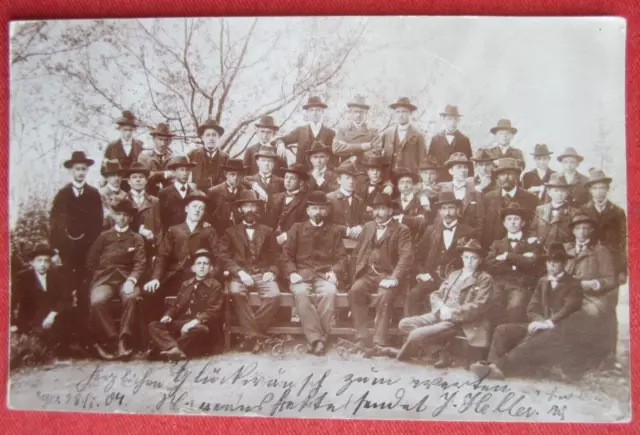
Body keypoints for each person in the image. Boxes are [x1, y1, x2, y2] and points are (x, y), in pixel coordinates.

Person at [469, 242, 582, 380]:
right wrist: (538, 321)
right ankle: (492, 364)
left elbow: (569, 309)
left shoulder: (573, 284)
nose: (551, 266)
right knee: (502, 329)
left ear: (564, 264)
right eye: (549, 262)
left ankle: (498, 368)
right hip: (541, 324)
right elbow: (531, 308)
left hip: (559, 330)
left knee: (534, 334)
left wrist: (548, 323)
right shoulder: (543, 281)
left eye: (556, 262)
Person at [389, 239, 493, 367]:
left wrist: (452, 313)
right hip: (440, 313)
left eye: (474, 258)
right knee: (404, 324)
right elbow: (436, 294)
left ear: (480, 260)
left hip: (458, 320)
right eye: (466, 257)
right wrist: (442, 307)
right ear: (462, 258)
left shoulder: (484, 278)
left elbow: (479, 305)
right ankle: (440, 352)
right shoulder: (454, 274)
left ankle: (427, 353)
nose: (469, 261)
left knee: (416, 334)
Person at [282, 191, 348, 355]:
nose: (318, 212)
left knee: (330, 292)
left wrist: (335, 271)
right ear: (308, 210)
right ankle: (318, 340)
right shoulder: (296, 228)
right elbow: (286, 256)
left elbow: (342, 258)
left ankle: (316, 340)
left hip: (324, 275)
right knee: (302, 294)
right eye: (314, 208)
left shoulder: (333, 231)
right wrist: (292, 273)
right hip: (301, 275)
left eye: (321, 208)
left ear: (326, 210)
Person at [348, 193, 413, 351]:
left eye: (382, 209)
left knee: (385, 295)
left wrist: (393, 278)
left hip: (388, 275)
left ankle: (379, 342)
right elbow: (357, 253)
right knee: (354, 291)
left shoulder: (401, 230)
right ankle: (362, 338)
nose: (377, 213)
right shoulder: (368, 227)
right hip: (368, 274)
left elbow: (406, 257)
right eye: (375, 209)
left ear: (391, 211)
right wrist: (354, 277)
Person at [219, 191, 282, 352]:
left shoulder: (267, 231)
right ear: (240, 209)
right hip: (240, 274)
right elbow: (223, 256)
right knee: (236, 293)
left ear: (257, 209)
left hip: (262, 273)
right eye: (246, 206)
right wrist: (240, 272)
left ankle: (250, 336)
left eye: (253, 206)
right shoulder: (230, 232)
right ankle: (255, 336)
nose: (250, 209)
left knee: (274, 295)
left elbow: (277, 256)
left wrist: (273, 271)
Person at [50, 151, 103, 337]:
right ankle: (65, 336)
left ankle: (86, 335)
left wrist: (94, 249)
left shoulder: (93, 194)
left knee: (84, 290)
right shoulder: (62, 195)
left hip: (87, 250)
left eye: (84, 169)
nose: (80, 172)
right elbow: (54, 223)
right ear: (71, 171)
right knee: (65, 290)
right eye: (77, 169)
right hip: (67, 251)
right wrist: (55, 250)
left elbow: (98, 223)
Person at [85, 199, 146, 360]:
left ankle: (123, 340)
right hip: (105, 280)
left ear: (131, 218)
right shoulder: (104, 237)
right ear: (114, 216)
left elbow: (140, 263)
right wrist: (100, 274)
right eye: (118, 215)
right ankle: (111, 338)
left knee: (131, 298)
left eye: (125, 216)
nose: (121, 218)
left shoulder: (136, 238)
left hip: (127, 279)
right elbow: (91, 260)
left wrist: (132, 280)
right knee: (97, 301)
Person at [143, 193, 219, 319]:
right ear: (186, 209)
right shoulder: (174, 230)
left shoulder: (209, 231)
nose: (197, 210)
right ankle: (156, 330)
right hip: (175, 276)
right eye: (194, 206)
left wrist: (211, 275)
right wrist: (156, 278)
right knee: (150, 294)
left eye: (201, 208)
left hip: (199, 277)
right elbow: (162, 256)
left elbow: (218, 256)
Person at [405, 191, 476, 316]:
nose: (447, 213)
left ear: (458, 209)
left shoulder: (469, 232)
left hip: (457, 280)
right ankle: (410, 332)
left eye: (451, 208)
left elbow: (474, 260)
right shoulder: (431, 230)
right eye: (443, 209)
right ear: (439, 211)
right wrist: (422, 273)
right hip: (432, 278)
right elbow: (418, 256)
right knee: (413, 295)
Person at [148, 249, 224, 360]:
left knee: (200, 330)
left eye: (205, 264)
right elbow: (176, 306)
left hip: (201, 325)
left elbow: (212, 311)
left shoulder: (215, 285)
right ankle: (174, 349)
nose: (202, 266)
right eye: (199, 263)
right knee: (153, 325)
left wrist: (193, 322)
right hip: (183, 322)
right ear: (193, 268)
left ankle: (165, 349)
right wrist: (168, 315)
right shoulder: (186, 284)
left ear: (210, 268)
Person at [564, 214, 619, 370]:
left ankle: (588, 359)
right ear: (573, 231)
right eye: (578, 228)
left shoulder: (600, 250)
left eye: (586, 228)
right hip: (566, 293)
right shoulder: (565, 248)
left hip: (590, 296)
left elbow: (610, 279)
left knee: (591, 314)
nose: (582, 232)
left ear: (591, 230)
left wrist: (592, 284)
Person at [485, 202, 542, 324]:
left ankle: (511, 336)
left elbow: (531, 262)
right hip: (500, 283)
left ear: (523, 223)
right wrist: (519, 259)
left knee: (515, 307)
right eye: (509, 219)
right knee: (493, 306)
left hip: (521, 284)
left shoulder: (531, 243)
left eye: (516, 219)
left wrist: (507, 256)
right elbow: (490, 265)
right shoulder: (497, 244)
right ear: (504, 224)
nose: (512, 222)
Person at [11, 244, 72, 356]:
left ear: (50, 263)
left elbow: (66, 298)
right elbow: (13, 301)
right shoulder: (23, 278)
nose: (43, 265)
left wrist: (52, 314)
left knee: (71, 315)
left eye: (46, 261)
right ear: (32, 263)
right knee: (34, 344)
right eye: (39, 261)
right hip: (31, 317)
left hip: (51, 317)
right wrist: (12, 323)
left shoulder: (56, 276)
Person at [581, 169, 627, 284]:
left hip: (611, 261)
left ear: (607, 189)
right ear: (590, 191)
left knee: (610, 295)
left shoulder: (617, 211)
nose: (599, 192)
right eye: (595, 188)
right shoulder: (583, 210)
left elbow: (622, 241)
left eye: (602, 188)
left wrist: (622, 270)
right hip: (589, 261)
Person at [482, 158, 538, 248]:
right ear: (497, 177)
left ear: (517, 176)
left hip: (521, 249)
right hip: (493, 250)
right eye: (502, 174)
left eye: (510, 173)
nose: (506, 177)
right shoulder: (488, 198)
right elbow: (484, 227)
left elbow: (533, 227)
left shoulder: (531, 198)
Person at [274, 96, 336, 169]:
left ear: (322, 112)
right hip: (302, 173)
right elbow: (279, 139)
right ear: (307, 113)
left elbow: (333, 157)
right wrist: (280, 143)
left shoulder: (330, 133)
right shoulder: (300, 131)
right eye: (311, 110)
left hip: (323, 175)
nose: (314, 113)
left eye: (317, 110)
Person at [439, 152, 485, 237]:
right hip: (447, 237)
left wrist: (474, 241)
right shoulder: (442, 188)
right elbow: (421, 188)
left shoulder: (475, 191)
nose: (463, 170)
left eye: (465, 167)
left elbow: (480, 220)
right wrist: (423, 197)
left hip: (469, 239)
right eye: (459, 167)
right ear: (451, 171)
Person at [530, 173, 581, 248]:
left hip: (563, 252)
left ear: (567, 193)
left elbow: (578, 235)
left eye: (563, 191)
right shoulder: (540, 209)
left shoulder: (574, 212)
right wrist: (534, 239)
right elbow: (533, 229)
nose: (560, 194)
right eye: (556, 191)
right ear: (549, 192)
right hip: (541, 250)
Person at [378, 97, 427, 175]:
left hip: (409, 177)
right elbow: (378, 153)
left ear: (410, 113)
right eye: (398, 112)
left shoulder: (418, 135)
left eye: (404, 112)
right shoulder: (387, 133)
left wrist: (421, 180)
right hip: (389, 177)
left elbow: (423, 161)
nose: (400, 115)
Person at [332, 95, 379, 170]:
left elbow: (377, 151)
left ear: (366, 113)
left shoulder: (373, 131)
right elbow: (336, 148)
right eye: (355, 111)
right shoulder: (342, 130)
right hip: (346, 169)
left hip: (366, 170)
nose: (358, 115)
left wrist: (348, 148)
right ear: (350, 112)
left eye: (361, 112)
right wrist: (362, 146)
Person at [125, 162, 162, 257]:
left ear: (146, 180)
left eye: (141, 177)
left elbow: (158, 228)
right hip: (127, 249)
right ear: (128, 181)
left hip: (148, 248)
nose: (138, 180)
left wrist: (154, 243)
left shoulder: (154, 202)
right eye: (134, 177)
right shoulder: (123, 201)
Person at [102, 110, 145, 192]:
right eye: (125, 130)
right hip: (117, 184)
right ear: (120, 129)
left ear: (134, 130)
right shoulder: (112, 146)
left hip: (134, 185)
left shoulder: (139, 145)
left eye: (130, 130)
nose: (128, 133)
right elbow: (104, 168)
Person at [428, 105, 473, 182]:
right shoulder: (435, 140)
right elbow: (430, 162)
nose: (452, 122)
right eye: (449, 119)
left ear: (458, 120)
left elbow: (469, 163)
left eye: (455, 119)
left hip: (459, 180)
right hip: (440, 180)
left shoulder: (464, 140)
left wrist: (469, 181)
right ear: (443, 119)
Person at [267, 163, 309, 244]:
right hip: (272, 241)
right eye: (286, 177)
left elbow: (304, 226)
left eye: (292, 178)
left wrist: (286, 236)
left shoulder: (305, 201)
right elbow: (269, 222)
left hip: (293, 241)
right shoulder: (275, 197)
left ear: (300, 182)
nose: (288, 181)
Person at [158, 156, 198, 232]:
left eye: (188, 170)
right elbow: (161, 219)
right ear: (174, 172)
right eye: (182, 170)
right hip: (171, 235)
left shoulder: (194, 191)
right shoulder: (164, 193)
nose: (185, 173)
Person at [206, 158, 246, 235]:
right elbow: (208, 215)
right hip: (219, 233)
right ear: (226, 174)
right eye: (232, 174)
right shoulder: (214, 192)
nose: (235, 178)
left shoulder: (246, 192)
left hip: (240, 235)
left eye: (239, 175)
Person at [327, 161, 366, 240]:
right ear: (339, 180)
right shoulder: (330, 198)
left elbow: (364, 221)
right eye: (347, 178)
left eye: (354, 178)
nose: (351, 181)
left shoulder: (359, 200)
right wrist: (345, 230)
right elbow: (326, 223)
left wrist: (360, 227)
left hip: (355, 243)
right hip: (335, 242)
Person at [189, 119, 230, 191]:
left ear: (219, 137)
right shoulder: (192, 155)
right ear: (202, 137)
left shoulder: (226, 158)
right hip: (196, 197)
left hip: (218, 199)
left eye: (214, 135)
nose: (211, 138)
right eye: (208, 135)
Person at [391, 167, 430, 240]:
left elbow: (423, 223)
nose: (405, 185)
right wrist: (414, 219)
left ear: (413, 185)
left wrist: (401, 218)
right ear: (398, 186)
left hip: (414, 240)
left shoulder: (421, 201)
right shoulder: (392, 203)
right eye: (402, 182)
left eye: (408, 182)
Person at [138, 123, 175, 196]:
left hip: (168, 196)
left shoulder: (173, 157)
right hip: (149, 195)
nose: (163, 143)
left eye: (166, 140)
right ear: (154, 139)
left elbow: (175, 175)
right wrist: (165, 174)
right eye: (160, 139)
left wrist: (155, 174)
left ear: (169, 141)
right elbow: (144, 176)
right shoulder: (144, 156)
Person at [357, 154, 394, 220]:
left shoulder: (386, 188)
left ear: (381, 172)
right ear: (368, 172)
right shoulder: (362, 185)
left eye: (378, 170)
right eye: (372, 170)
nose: (375, 173)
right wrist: (364, 207)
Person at [98, 159, 128, 230]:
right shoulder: (101, 194)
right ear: (106, 177)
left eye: (119, 175)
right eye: (112, 175)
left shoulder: (125, 194)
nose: (116, 178)